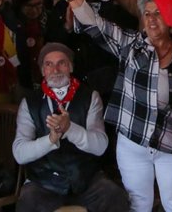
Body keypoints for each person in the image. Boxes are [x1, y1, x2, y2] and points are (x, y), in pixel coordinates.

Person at [64, 0, 172, 212]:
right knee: (139, 204)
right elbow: (95, 23)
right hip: (132, 142)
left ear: (170, 19)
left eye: (158, 13)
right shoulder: (131, 44)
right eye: (147, 14)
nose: (151, 19)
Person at [12, 43, 128, 212]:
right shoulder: (30, 103)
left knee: (114, 196)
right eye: (48, 64)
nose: (55, 69)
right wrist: (51, 139)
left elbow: (100, 146)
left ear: (71, 67)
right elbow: (20, 154)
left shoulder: (90, 96)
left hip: (86, 180)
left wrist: (70, 129)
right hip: (44, 182)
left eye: (62, 63)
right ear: (42, 71)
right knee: (27, 201)